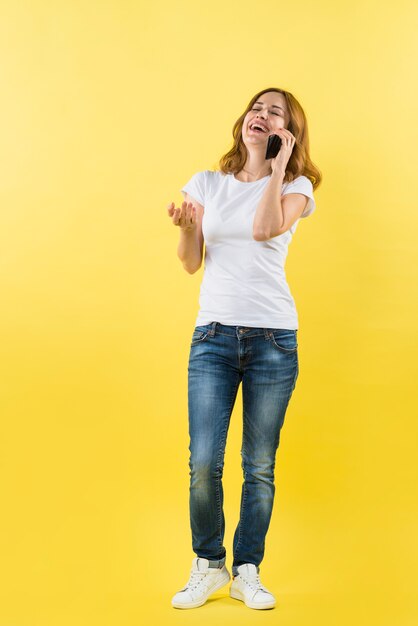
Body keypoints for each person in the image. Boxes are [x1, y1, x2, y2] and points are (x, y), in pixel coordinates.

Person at [167, 87, 322, 610]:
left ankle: (247, 568)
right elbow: (192, 262)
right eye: (257, 107)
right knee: (204, 460)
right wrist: (190, 228)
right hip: (213, 335)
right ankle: (209, 565)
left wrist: (276, 168)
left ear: (288, 132)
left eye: (275, 112)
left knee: (258, 464)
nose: (261, 115)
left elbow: (262, 229)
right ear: (244, 120)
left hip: (273, 338)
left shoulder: (298, 186)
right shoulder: (207, 183)